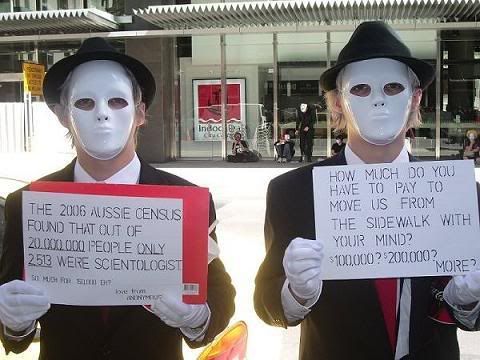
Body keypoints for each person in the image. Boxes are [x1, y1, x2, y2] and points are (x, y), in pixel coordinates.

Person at [254, 21, 480, 360]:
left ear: (415, 97)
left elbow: (470, 315)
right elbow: (266, 301)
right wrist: (294, 293)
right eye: (360, 89)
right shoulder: (293, 192)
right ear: (337, 103)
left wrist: (468, 301)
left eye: (393, 87)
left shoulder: (460, 193)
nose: (378, 101)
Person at [0, 37, 235, 360]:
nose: (102, 115)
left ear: (140, 113)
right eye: (84, 103)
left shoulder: (187, 202)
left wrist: (197, 319)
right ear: (61, 114)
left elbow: (219, 292)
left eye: (116, 102)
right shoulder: (25, 204)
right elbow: (14, 331)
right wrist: (15, 323)